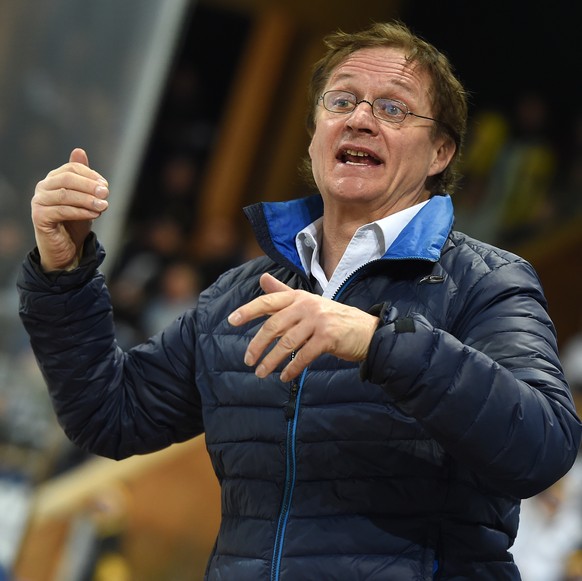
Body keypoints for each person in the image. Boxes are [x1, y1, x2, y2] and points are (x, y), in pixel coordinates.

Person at [17, 21, 581, 580]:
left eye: (392, 108)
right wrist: (63, 268)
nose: (360, 118)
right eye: (342, 101)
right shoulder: (239, 296)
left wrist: (377, 340)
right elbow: (110, 415)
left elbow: (544, 445)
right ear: (314, 134)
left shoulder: (487, 282)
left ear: (440, 152)